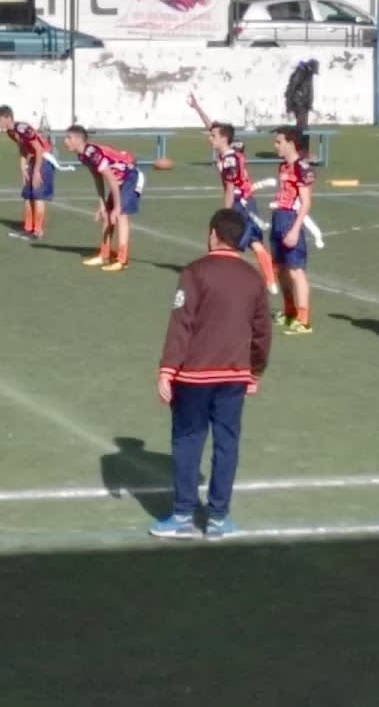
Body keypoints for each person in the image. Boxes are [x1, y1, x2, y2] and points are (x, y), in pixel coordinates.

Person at [152, 208, 271, 539]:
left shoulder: (195, 272)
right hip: (234, 375)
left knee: (188, 440)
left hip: (193, 375)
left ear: (214, 234)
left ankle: (183, 515)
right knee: (227, 443)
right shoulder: (252, 279)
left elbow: (182, 323)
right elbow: (262, 332)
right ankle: (218, 517)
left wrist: (167, 370)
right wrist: (255, 371)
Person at [188, 93, 278, 294]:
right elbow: (213, 126)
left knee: (224, 238)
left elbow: (229, 187)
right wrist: (197, 107)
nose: (210, 138)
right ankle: (271, 281)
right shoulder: (229, 152)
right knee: (254, 241)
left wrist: (226, 213)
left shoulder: (229, 160)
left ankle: (223, 277)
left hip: (239, 203)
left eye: (213, 137)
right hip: (248, 202)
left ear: (223, 139)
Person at [63, 124, 142, 272]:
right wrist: (102, 205)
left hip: (130, 177)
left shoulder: (93, 153)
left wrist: (117, 208)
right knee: (107, 215)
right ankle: (104, 255)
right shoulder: (82, 155)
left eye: (68, 137)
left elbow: (111, 179)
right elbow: (98, 177)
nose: (65, 141)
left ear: (79, 139)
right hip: (118, 181)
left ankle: (122, 260)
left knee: (121, 215)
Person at [270, 126, 316, 335]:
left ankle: (304, 319)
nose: (275, 145)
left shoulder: (302, 168)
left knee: (297, 271)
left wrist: (295, 229)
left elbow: (306, 203)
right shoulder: (283, 167)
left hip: (291, 219)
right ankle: (289, 311)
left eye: (279, 142)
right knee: (281, 268)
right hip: (279, 218)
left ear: (291, 143)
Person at [0, 105, 55, 242]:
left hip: (44, 158)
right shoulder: (11, 133)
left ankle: (38, 231)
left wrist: (36, 172)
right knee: (28, 195)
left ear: (8, 118)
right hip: (34, 159)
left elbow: (39, 149)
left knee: (38, 194)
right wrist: (23, 167)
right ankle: (28, 228)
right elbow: (23, 148)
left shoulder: (22, 128)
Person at [284, 58, 318, 155]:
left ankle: (303, 151)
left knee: (304, 128)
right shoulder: (300, 72)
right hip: (299, 104)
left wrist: (309, 103)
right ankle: (299, 151)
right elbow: (292, 88)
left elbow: (308, 90)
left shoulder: (308, 73)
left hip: (304, 104)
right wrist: (291, 106)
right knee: (301, 129)